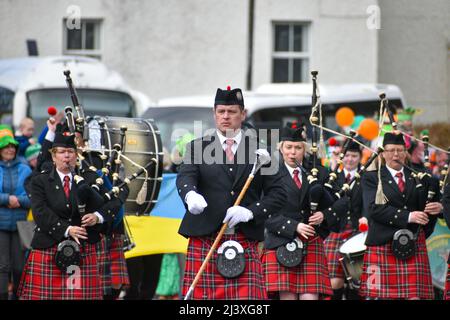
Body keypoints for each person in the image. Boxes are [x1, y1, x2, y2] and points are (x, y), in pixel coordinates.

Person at [176, 86, 286, 300]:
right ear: (214, 113)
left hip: (244, 237)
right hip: (206, 238)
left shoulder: (261, 150)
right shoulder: (197, 147)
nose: (226, 116)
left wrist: (250, 212)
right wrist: (190, 195)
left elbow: (278, 194)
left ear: (243, 114)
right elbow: (185, 177)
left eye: (232, 111)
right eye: (221, 111)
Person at [18, 132, 108, 299]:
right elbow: (40, 212)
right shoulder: (39, 181)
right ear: (53, 156)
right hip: (48, 245)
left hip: (81, 248)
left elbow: (106, 204)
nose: (66, 155)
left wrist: (97, 216)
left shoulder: (88, 179)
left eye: (70, 151)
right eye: (61, 151)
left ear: (76, 155)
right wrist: (67, 229)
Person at [359, 132, 442, 300]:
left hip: (412, 243)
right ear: (382, 153)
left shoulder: (420, 177)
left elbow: (435, 201)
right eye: (390, 150)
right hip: (383, 242)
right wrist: (409, 216)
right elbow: (373, 209)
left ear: (406, 152)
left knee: (415, 297)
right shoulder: (372, 178)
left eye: (399, 150)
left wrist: (438, 207)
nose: (395, 155)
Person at [261, 124, 333, 300]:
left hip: (311, 241)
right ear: (281, 148)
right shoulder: (269, 173)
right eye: (289, 147)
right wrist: (294, 226)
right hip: (281, 241)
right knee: (288, 297)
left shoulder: (317, 172)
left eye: (298, 147)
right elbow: (264, 213)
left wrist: (324, 215)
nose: (293, 152)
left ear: (305, 149)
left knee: (310, 297)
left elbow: (336, 203)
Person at [323, 140, 367, 300]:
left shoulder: (365, 178)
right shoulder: (334, 177)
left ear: (360, 157)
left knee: (358, 280)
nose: (350, 159)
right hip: (336, 229)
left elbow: (369, 202)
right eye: (347, 155)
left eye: (354, 156)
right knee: (335, 281)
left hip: (358, 230)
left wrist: (365, 218)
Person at [0, 132, 31, 300]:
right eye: (6, 146)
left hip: (21, 224)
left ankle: (19, 296)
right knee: (3, 266)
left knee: (20, 267)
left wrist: (18, 199)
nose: (10, 149)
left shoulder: (25, 169)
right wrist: (7, 198)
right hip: (1, 225)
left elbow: (32, 197)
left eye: (13, 146)